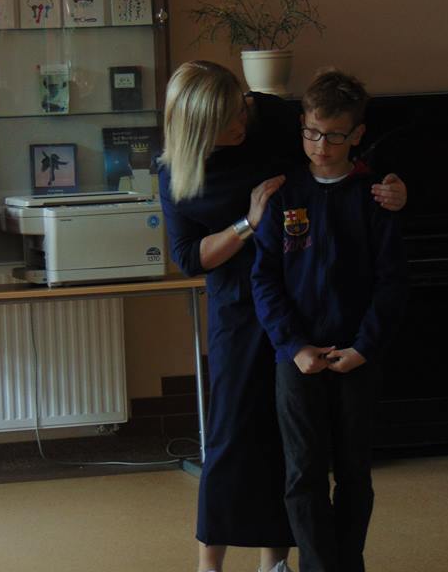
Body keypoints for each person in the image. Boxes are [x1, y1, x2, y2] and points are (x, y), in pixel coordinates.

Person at [158, 61, 407, 572]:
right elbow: (189, 257)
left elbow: (343, 135)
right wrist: (248, 223)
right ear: (200, 128)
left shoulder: (267, 116)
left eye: (241, 109)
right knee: (230, 433)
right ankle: (209, 564)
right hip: (240, 303)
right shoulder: (176, 172)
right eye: (228, 120)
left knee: (288, 441)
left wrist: (396, 187)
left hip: (303, 297)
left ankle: (274, 561)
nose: (241, 122)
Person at [251, 70, 409, 572]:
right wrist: (293, 345)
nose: (322, 146)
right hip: (297, 357)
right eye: (313, 133)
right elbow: (264, 280)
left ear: (357, 134)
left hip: (356, 355)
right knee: (303, 472)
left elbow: (391, 283)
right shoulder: (284, 195)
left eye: (336, 136)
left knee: (354, 472)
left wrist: (365, 346)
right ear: (302, 125)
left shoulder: (374, 197)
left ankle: (348, 564)